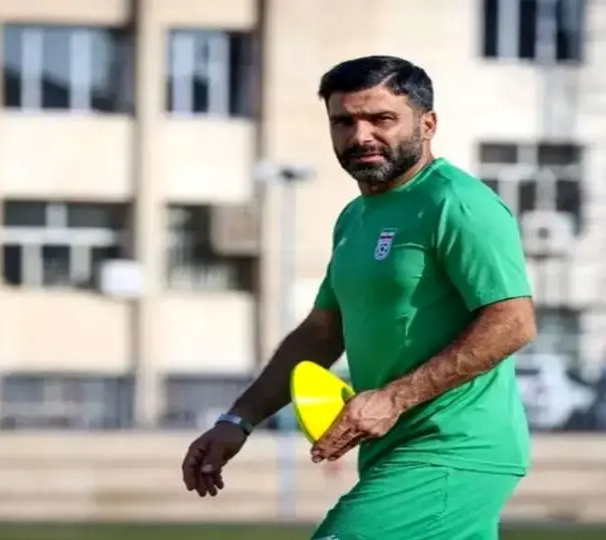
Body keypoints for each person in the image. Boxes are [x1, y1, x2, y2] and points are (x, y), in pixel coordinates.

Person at [181, 55, 537, 540]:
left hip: (452, 449)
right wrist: (237, 420)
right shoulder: (354, 217)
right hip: (393, 453)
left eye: (381, 119)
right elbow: (321, 333)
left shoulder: (457, 203)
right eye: (344, 122)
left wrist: (393, 398)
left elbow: (513, 322)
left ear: (428, 124)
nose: (361, 135)